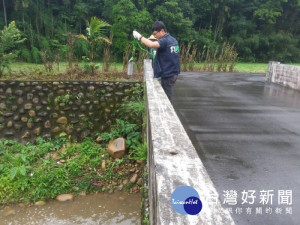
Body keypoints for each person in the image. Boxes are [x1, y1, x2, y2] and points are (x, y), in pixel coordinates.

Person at [133, 21, 180, 102]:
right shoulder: (173, 40)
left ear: (162, 31)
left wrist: (139, 37)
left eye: (155, 34)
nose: (155, 36)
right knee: (167, 95)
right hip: (174, 73)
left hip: (168, 75)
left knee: (167, 99)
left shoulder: (165, 40)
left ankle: (167, 114)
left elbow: (151, 45)